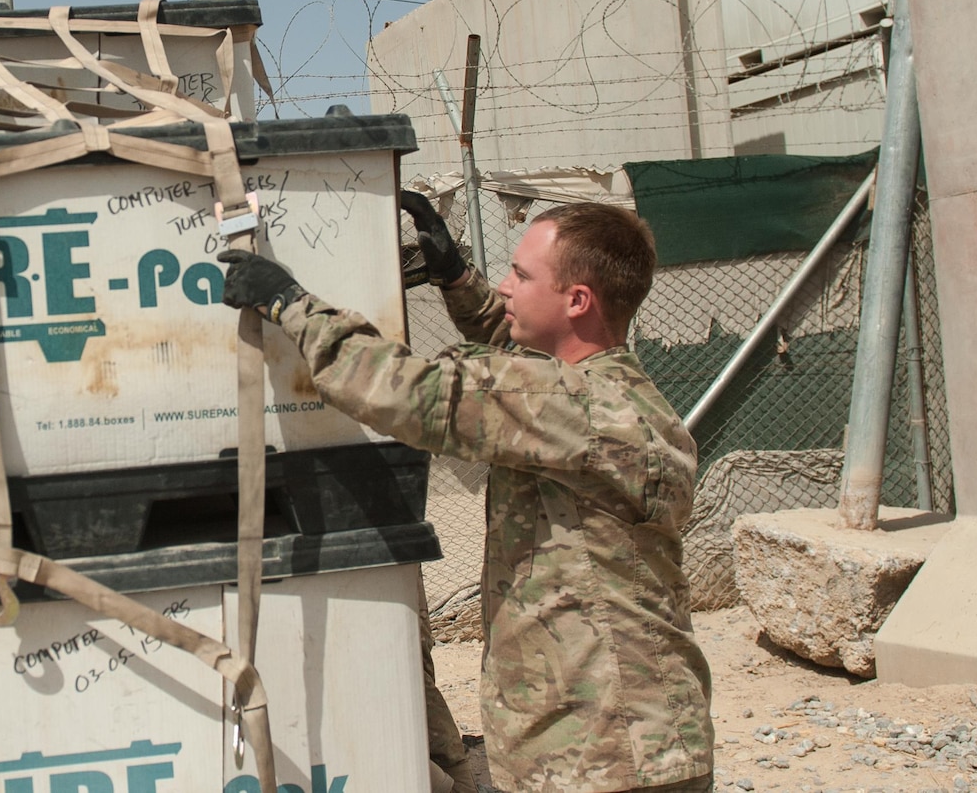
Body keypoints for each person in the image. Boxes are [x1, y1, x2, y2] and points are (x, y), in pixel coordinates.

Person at [221, 195, 714, 793]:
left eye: (521, 276)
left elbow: (407, 392)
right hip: (629, 739)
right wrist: (454, 277)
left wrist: (292, 304)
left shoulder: (569, 405)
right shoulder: (603, 392)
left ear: (578, 300)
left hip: (603, 754)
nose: (505, 288)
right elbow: (518, 350)